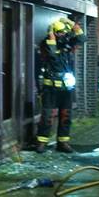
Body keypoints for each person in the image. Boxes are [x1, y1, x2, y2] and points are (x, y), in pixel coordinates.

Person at [35, 16, 84, 153]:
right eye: (61, 33)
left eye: (65, 32)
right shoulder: (46, 43)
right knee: (47, 116)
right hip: (50, 88)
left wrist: (71, 23)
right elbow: (52, 56)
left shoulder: (66, 43)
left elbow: (82, 38)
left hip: (66, 87)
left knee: (66, 115)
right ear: (54, 33)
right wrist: (51, 35)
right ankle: (42, 141)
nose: (64, 35)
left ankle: (63, 142)